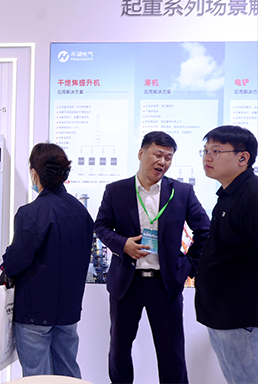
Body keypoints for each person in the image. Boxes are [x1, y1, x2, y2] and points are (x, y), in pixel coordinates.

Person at [94, 131, 210, 383]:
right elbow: (101, 226)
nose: (162, 162)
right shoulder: (116, 190)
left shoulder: (181, 192)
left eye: (168, 157)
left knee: (172, 353)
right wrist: (122, 244)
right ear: (141, 153)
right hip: (127, 283)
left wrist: (187, 266)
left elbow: (205, 231)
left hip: (165, 283)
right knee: (119, 351)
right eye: (158, 155)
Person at [1, 143, 94, 378]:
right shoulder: (81, 212)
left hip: (34, 311)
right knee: (68, 372)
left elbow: (16, 262)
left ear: (35, 173)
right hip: (68, 309)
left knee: (37, 376)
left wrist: (6, 260)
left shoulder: (30, 213)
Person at [195, 125, 258, 383]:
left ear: (243, 158)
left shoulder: (252, 196)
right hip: (224, 315)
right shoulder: (229, 194)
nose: (207, 157)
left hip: (242, 318)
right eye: (205, 151)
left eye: (216, 151)